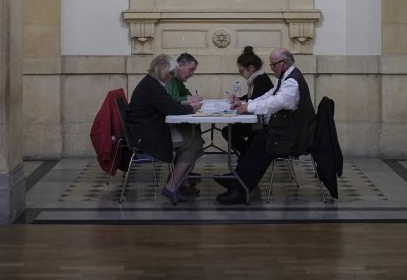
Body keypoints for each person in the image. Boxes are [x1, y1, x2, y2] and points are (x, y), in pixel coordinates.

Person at [216, 47, 315, 205]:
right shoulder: (285, 79)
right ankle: (237, 181)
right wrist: (245, 103)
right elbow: (267, 96)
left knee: (261, 143)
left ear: (284, 63)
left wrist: (248, 107)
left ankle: (241, 191)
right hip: (285, 131)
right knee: (256, 138)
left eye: (273, 65)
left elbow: (277, 102)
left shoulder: (292, 82)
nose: (271, 68)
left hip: (293, 135)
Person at [126, 54, 204, 202]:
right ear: (165, 73)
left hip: (148, 129)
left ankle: (180, 180)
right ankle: (171, 187)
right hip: (146, 135)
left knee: (194, 137)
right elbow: (173, 108)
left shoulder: (152, 83)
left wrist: (187, 107)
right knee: (193, 143)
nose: (173, 77)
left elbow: (170, 105)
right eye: (172, 74)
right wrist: (193, 109)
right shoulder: (154, 87)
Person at [221, 46, 274, 158]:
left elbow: (254, 100)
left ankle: (249, 157)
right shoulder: (258, 78)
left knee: (229, 131)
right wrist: (239, 99)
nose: (241, 74)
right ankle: (248, 157)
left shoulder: (260, 79)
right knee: (230, 130)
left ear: (251, 68)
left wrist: (241, 103)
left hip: (264, 124)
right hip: (259, 120)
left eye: (242, 71)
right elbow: (253, 97)